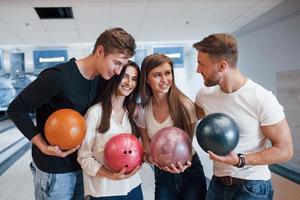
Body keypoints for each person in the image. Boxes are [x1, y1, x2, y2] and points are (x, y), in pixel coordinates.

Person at [7, 27, 136, 199]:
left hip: (85, 168)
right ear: (100, 51)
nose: (118, 71)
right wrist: (43, 146)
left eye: (123, 65)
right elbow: (16, 109)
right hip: (55, 170)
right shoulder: (57, 77)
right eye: (117, 63)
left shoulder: (103, 82)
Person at [193, 33, 293, 200]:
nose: (197, 70)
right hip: (217, 184)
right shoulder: (204, 96)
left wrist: (240, 160)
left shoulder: (261, 98)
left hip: (252, 187)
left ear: (222, 66)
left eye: (201, 64)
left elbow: (285, 150)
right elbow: (188, 121)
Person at [135, 53, 207, 200]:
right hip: (162, 173)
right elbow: (147, 147)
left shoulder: (184, 106)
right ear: (147, 80)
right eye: (157, 75)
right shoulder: (143, 110)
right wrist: (149, 157)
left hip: (189, 169)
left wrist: (182, 163)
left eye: (167, 73)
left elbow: (186, 147)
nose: (164, 80)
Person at [77, 61, 143, 200]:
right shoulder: (95, 113)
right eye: (125, 76)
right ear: (115, 77)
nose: (129, 83)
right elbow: (84, 156)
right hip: (105, 191)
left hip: (133, 187)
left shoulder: (131, 114)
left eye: (134, 79)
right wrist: (110, 174)